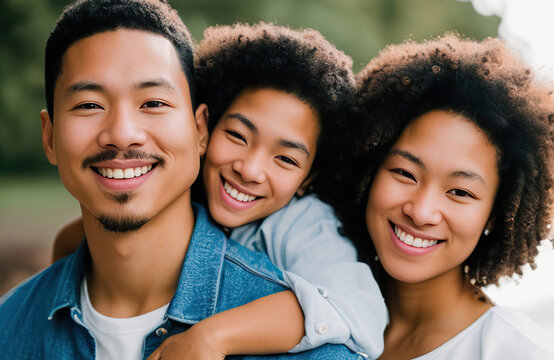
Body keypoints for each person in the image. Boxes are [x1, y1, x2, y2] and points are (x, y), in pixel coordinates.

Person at [0, 1, 362, 359]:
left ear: (198, 129)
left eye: (153, 102)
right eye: (90, 104)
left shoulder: (307, 257)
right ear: (49, 138)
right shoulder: (9, 327)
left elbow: (355, 312)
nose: (123, 134)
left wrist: (215, 336)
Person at [332, 34, 554, 359]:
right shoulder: (315, 301)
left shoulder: (514, 351)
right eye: (405, 173)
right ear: (368, 169)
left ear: (497, 212)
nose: (421, 212)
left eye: (460, 192)